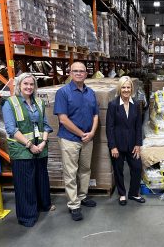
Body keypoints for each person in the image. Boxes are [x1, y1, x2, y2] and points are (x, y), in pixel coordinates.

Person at [2, 73, 54, 227]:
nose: (29, 87)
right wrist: (30, 145)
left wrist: (43, 142)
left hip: (40, 147)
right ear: (19, 85)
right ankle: (27, 216)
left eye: (32, 84)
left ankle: (43, 205)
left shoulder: (38, 102)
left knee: (41, 178)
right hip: (21, 149)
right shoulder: (10, 103)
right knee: (25, 183)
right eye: (25, 84)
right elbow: (12, 129)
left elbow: (45, 124)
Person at [54, 62, 99, 221]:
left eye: (82, 71)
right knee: (71, 172)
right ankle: (74, 204)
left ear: (86, 74)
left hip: (88, 138)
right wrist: (82, 134)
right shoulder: (63, 92)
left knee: (86, 169)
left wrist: (92, 132)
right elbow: (63, 119)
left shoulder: (91, 92)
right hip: (70, 139)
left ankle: (82, 196)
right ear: (70, 73)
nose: (79, 73)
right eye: (76, 71)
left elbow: (95, 115)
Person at [106, 76, 145, 206]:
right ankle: (122, 194)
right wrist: (113, 146)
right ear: (119, 88)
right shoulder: (113, 105)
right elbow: (109, 127)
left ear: (132, 89)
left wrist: (138, 144)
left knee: (137, 168)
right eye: (123, 87)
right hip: (118, 145)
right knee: (118, 170)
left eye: (128, 87)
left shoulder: (136, 104)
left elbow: (138, 126)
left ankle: (133, 193)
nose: (126, 90)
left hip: (133, 145)